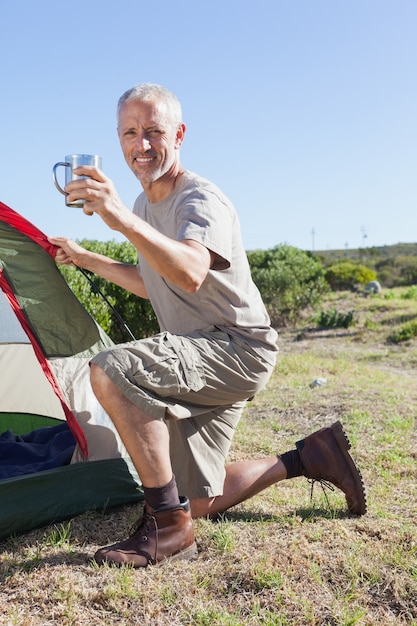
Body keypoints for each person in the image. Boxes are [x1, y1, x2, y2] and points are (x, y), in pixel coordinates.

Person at [49, 83, 366, 569]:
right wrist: (89, 259)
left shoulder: (200, 199)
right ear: (118, 139)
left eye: (154, 131)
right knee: (193, 502)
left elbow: (191, 272)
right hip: (202, 353)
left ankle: (167, 530)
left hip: (234, 348)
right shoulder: (143, 206)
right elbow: (153, 279)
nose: (142, 144)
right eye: (131, 133)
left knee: (111, 370)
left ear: (179, 134)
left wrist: (116, 220)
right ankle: (308, 457)